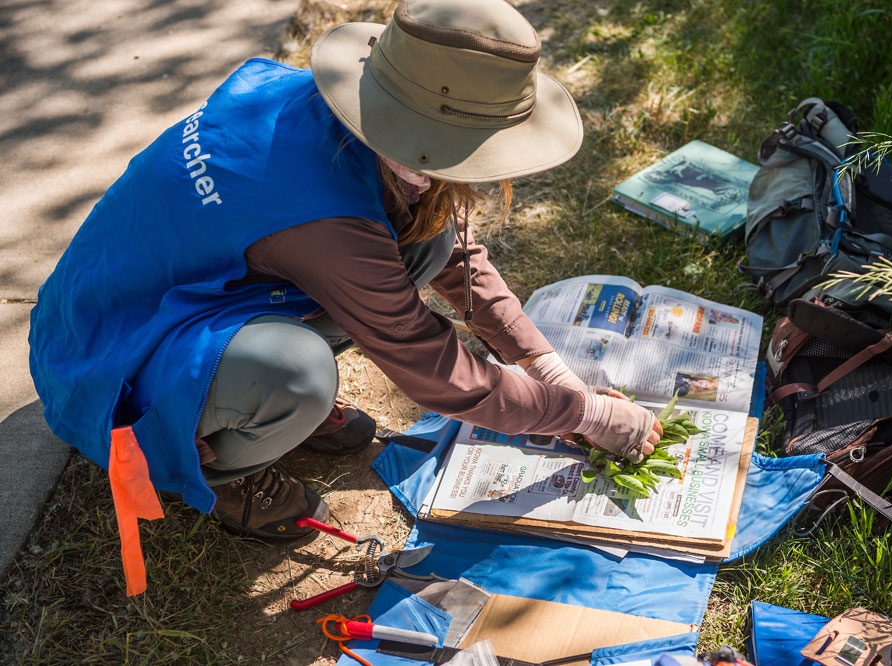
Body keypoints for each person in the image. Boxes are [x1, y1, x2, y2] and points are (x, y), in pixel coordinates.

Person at [28, 0, 661, 544]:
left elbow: (457, 253)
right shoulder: (323, 218)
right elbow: (438, 373)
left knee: (426, 248)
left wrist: (542, 363)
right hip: (107, 352)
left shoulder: (355, 122)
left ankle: (243, 404)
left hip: (185, 291)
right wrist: (583, 416)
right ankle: (217, 460)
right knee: (296, 373)